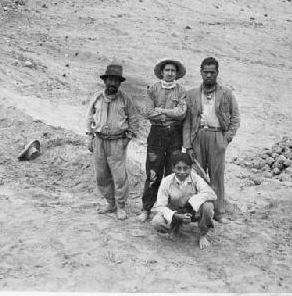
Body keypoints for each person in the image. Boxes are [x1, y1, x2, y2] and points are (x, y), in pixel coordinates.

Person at [183, 57, 240, 223]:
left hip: (217, 137)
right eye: (206, 72)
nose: (209, 75)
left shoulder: (226, 94)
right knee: (197, 176)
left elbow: (235, 117)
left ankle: (219, 212)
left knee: (217, 176)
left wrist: (226, 138)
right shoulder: (192, 94)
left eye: (212, 72)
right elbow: (186, 121)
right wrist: (188, 145)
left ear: (217, 73)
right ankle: (197, 210)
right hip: (197, 136)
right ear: (201, 72)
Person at [86, 63, 139, 220]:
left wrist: (127, 140)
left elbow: (134, 121)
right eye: (110, 80)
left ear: (120, 83)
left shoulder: (125, 100)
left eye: (116, 81)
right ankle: (110, 203)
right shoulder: (96, 97)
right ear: (105, 81)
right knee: (101, 176)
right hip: (99, 141)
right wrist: (89, 136)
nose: (113, 84)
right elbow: (89, 117)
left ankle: (121, 206)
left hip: (117, 142)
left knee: (119, 177)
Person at [137, 59, 187, 222]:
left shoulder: (181, 91)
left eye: (173, 70)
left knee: (172, 174)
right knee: (153, 173)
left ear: (176, 73)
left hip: (175, 135)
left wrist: (161, 111)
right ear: (162, 72)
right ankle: (146, 209)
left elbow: (181, 113)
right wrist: (167, 115)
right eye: (167, 70)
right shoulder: (153, 89)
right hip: (157, 133)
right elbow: (147, 112)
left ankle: (166, 210)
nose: (170, 73)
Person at [151, 152, 216, 249]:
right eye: (178, 168)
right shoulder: (166, 181)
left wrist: (191, 202)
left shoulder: (196, 178)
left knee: (208, 206)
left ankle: (203, 234)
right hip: (176, 211)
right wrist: (175, 215)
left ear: (191, 168)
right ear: (173, 168)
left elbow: (211, 194)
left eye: (185, 168)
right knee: (157, 222)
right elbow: (160, 206)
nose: (182, 172)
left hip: (193, 211)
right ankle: (175, 228)